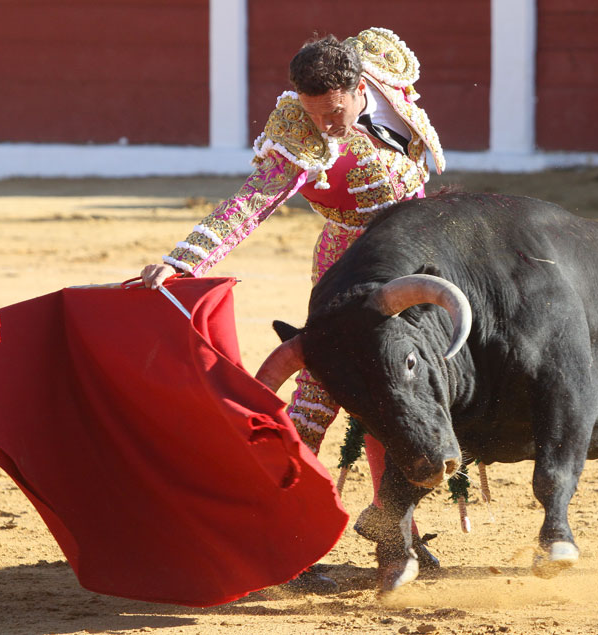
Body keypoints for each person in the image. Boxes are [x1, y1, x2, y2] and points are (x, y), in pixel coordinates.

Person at [140, 28, 445, 593]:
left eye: (334, 113)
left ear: (361, 87)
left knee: (414, 390)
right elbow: (252, 202)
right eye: (313, 113)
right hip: (350, 271)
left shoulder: (382, 63)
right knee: (323, 392)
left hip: (420, 261)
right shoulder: (298, 135)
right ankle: (286, 538)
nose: (324, 125)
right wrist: (183, 261)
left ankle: (397, 529)